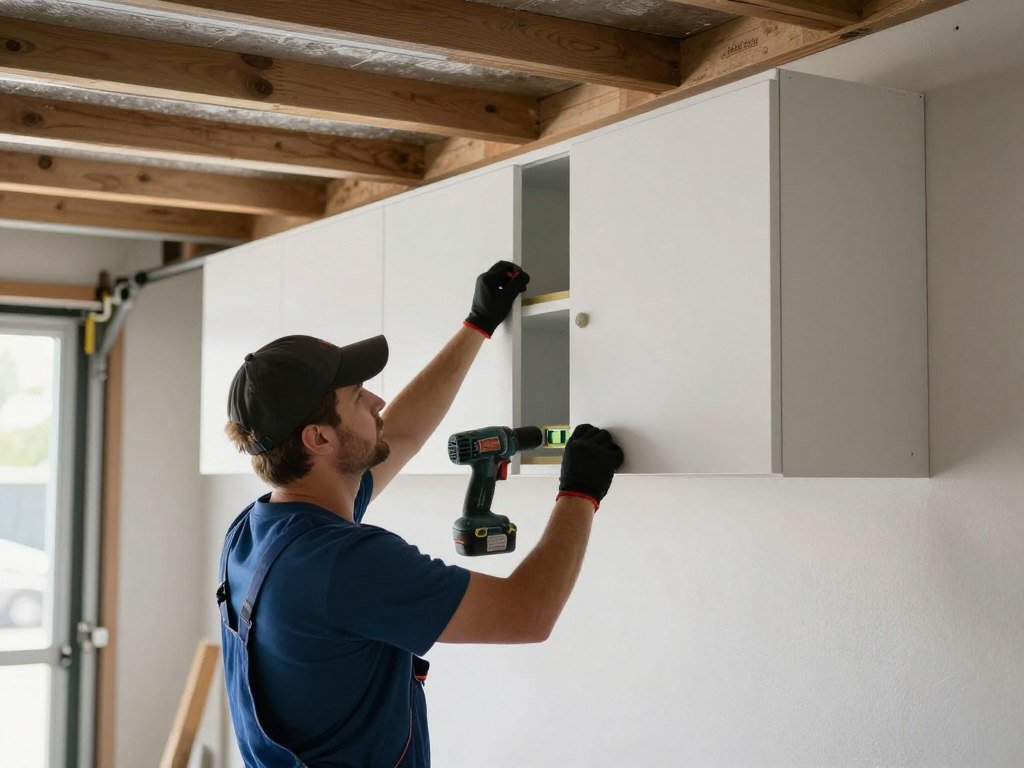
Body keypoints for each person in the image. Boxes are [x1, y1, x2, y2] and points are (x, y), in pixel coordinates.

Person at [216, 260, 624, 767]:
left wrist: (477, 325)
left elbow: (402, 433)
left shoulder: (258, 533)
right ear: (318, 438)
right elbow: (528, 612)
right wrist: (580, 493)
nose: (377, 399)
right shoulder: (344, 564)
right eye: (357, 396)